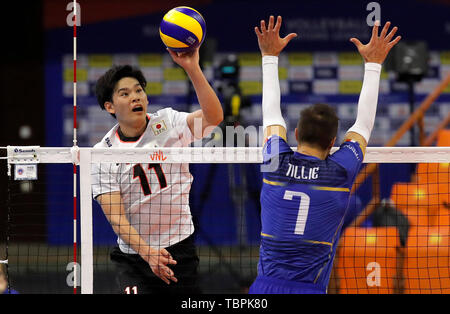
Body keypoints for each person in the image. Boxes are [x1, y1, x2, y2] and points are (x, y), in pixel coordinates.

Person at [249, 15, 401, 294]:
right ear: (333, 143)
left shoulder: (274, 163)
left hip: (264, 289)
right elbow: (363, 126)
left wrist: (269, 57)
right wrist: (374, 65)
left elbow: (271, 114)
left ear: (295, 135)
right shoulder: (340, 172)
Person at [92, 47, 223, 294]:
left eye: (139, 91)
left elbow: (213, 118)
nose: (136, 97)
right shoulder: (103, 153)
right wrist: (148, 253)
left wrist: (192, 68)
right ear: (110, 106)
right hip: (134, 257)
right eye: (125, 93)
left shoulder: (168, 123)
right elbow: (116, 219)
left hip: (179, 249)